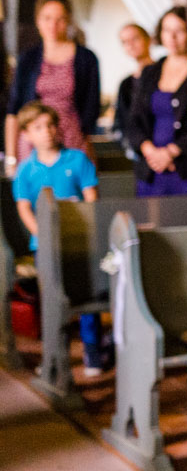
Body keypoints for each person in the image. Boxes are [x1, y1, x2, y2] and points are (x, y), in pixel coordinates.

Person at [12, 102, 105, 374]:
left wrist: (80, 230)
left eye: (51, 125)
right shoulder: (25, 171)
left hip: (80, 242)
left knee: (88, 295)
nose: (47, 132)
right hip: (45, 246)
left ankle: (93, 352)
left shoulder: (77, 160)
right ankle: (53, 356)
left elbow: (91, 200)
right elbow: (24, 208)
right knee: (51, 300)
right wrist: (44, 234)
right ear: (27, 134)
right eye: (39, 127)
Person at [5, 0, 100, 176]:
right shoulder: (27, 58)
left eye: (60, 19)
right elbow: (14, 109)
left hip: (71, 139)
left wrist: (86, 147)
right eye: (47, 18)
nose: (53, 25)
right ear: (38, 21)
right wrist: (11, 158)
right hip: (32, 142)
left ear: (69, 20)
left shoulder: (86, 58)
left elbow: (90, 108)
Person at [127, 7, 187, 197]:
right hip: (151, 168)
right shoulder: (150, 72)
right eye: (167, 30)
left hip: (185, 167)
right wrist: (151, 152)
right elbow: (134, 121)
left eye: (180, 30)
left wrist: (171, 152)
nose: (172, 37)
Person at [112, 23, 153, 160]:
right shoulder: (126, 84)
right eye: (125, 42)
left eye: (135, 38)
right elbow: (122, 122)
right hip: (140, 153)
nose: (130, 45)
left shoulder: (164, 75)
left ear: (148, 40)